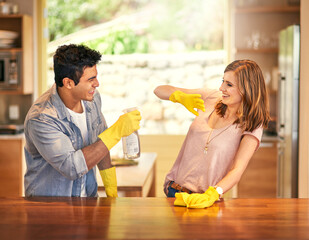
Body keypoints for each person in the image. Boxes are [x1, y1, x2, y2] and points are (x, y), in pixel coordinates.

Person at [24, 44, 141, 197]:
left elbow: (101, 141)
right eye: (91, 79)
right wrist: (117, 131)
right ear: (68, 83)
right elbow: (72, 167)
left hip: (87, 200)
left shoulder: (91, 99)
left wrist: (111, 190)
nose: (97, 84)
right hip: (51, 208)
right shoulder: (42, 118)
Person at [154, 59, 270, 208]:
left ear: (247, 88)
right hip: (174, 193)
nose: (222, 88)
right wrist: (179, 97)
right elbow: (158, 90)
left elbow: (237, 169)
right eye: (223, 81)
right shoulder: (211, 98)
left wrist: (214, 193)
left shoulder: (252, 124)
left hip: (205, 201)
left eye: (229, 84)